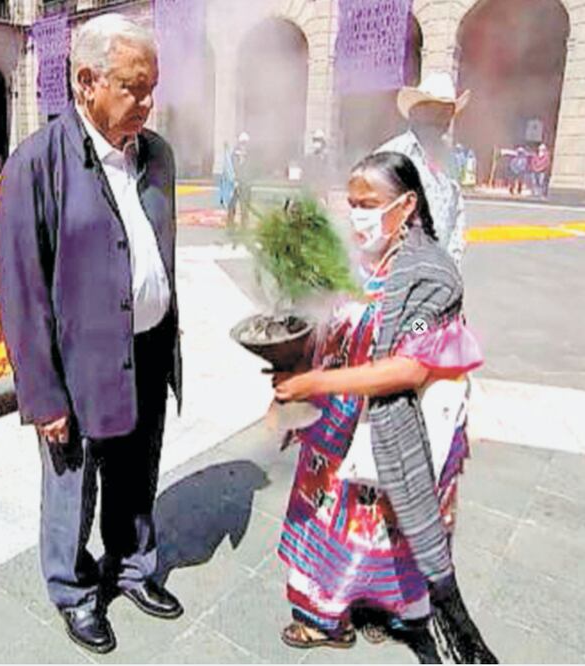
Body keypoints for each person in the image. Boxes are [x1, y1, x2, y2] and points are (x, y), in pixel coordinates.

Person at [0, 14, 183, 655]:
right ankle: (74, 592)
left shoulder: (157, 156)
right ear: (87, 82)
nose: (148, 103)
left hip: (148, 349)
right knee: (73, 487)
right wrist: (43, 397)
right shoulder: (36, 166)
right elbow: (20, 294)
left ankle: (131, 566)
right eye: (135, 87)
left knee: (138, 474)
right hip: (77, 368)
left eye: (153, 87)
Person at [269, 152, 496, 664]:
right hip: (333, 420)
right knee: (331, 516)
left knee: (388, 523)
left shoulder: (430, 278)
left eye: (368, 204)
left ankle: (391, 606)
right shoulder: (357, 256)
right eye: (351, 203)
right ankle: (328, 614)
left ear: (407, 204)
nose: (356, 215)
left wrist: (318, 381)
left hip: (390, 424)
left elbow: (412, 363)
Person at [377, 72, 471, 267]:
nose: (444, 121)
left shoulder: (449, 161)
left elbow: (456, 215)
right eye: (437, 111)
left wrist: (451, 266)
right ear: (416, 112)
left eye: (448, 113)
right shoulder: (392, 155)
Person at [226, 131, 252, 229]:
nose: (243, 145)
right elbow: (231, 168)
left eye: (245, 143)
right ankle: (230, 222)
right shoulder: (234, 155)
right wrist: (234, 180)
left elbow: (251, 169)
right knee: (232, 203)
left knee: (245, 205)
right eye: (242, 143)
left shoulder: (250, 155)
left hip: (246, 184)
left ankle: (244, 224)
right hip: (234, 183)